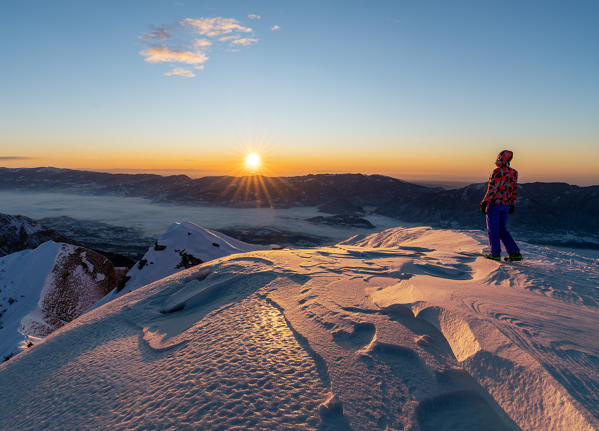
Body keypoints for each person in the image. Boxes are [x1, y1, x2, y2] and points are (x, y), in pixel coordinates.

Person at [480, 150, 523, 261]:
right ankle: (515, 253)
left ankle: (495, 254)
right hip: (506, 205)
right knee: (502, 229)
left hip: (495, 204)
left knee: (493, 230)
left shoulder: (497, 172)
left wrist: (484, 202)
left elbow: (492, 189)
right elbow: (514, 189)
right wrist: (512, 203)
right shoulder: (514, 173)